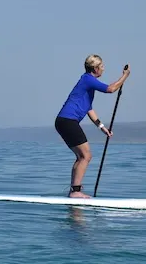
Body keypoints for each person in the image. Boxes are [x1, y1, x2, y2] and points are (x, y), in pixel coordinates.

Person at [54, 55, 130, 198]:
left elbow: (88, 109)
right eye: (102, 66)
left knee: (81, 156)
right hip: (68, 121)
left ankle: (74, 191)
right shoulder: (89, 80)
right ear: (95, 68)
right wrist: (124, 76)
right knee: (86, 155)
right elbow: (110, 89)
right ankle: (75, 192)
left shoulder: (86, 82)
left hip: (63, 121)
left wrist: (102, 127)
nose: (103, 69)